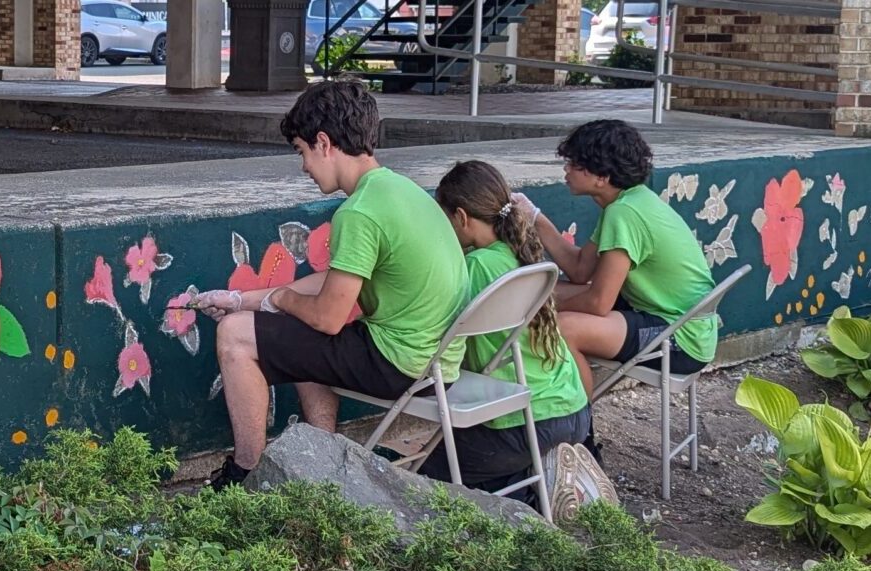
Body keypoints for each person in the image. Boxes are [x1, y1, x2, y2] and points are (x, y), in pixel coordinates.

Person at [191, 80, 468, 489]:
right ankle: (324, 468)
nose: (303, 166)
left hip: (401, 366)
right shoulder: (403, 190)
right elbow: (335, 281)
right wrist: (240, 299)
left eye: (301, 151)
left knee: (235, 334)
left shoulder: (359, 212)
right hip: (438, 364)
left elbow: (327, 318)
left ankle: (244, 476)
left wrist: (282, 298)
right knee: (297, 338)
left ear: (323, 143)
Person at [519, 120, 719, 458]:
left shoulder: (624, 214)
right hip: (679, 321)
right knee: (547, 301)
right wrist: (535, 217)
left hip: (680, 338)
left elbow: (598, 301)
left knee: (564, 328)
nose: (566, 170)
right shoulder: (628, 202)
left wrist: (539, 302)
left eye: (574, 164)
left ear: (601, 176)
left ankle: (582, 440)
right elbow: (580, 269)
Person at [432, 160, 616, 513]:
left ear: (461, 217)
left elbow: (438, 330)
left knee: (432, 474)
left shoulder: (475, 267)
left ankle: (529, 501)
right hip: (574, 410)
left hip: (518, 424)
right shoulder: (523, 255)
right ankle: (548, 482)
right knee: (487, 465)